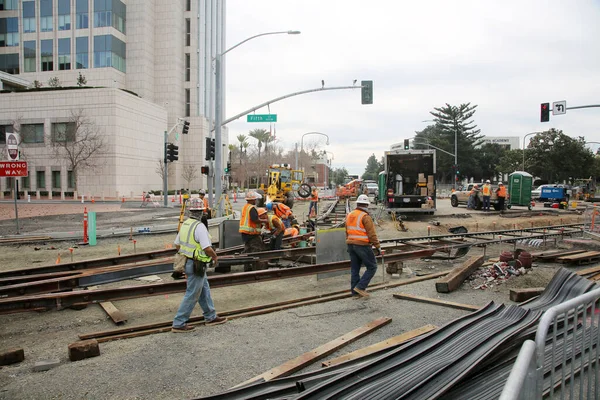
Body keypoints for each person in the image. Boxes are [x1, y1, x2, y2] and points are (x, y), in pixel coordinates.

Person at [172, 198, 227, 332]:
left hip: (189, 263)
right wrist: (214, 257)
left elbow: (177, 245)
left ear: (190, 211)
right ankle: (179, 322)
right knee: (192, 293)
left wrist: (187, 254)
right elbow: (207, 247)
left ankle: (210, 316)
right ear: (202, 212)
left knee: (204, 290)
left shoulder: (185, 224)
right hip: (197, 265)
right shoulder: (199, 226)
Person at [346, 194, 381, 298]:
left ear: (357, 203)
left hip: (351, 244)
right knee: (372, 266)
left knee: (355, 268)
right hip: (362, 245)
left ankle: (355, 291)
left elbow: (346, 231)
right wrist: (377, 246)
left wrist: (349, 241)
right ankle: (360, 287)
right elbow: (371, 234)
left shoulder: (350, 215)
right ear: (366, 205)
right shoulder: (365, 217)